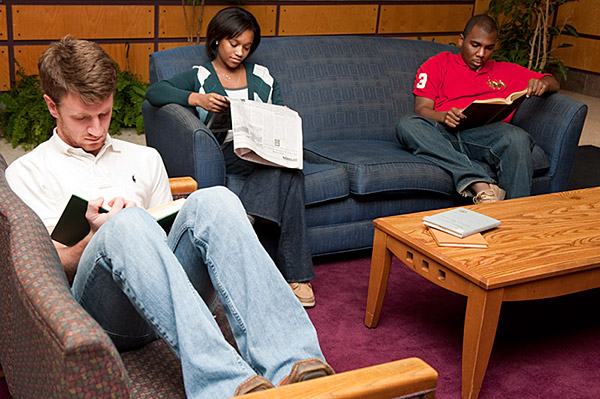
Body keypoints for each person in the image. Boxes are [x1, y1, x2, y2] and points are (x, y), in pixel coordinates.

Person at [5, 35, 333, 399]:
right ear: (52, 106)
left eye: (105, 114)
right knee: (125, 223)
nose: (97, 130)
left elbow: (170, 236)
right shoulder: (28, 172)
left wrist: (146, 226)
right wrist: (96, 236)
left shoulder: (144, 159)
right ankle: (224, 385)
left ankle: (296, 365)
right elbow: (41, 276)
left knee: (216, 200)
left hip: (163, 299)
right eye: (82, 118)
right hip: (101, 313)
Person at [145, 7, 316, 307]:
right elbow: (156, 92)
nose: (240, 52)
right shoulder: (201, 76)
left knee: (289, 169)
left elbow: (277, 111)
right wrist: (196, 99)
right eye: (233, 44)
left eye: (247, 47)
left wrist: (283, 117)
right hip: (227, 151)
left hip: (265, 150)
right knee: (289, 174)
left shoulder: (262, 76)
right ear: (216, 41)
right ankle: (296, 277)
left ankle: (250, 224)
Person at [395, 14, 560, 203]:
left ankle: (517, 218)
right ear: (461, 40)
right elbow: (421, 109)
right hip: (443, 134)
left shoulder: (506, 71)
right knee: (407, 124)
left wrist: (543, 84)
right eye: (475, 45)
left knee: (517, 136)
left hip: (484, 137)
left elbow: (552, 81)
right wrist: (443, 116)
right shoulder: (437, 64)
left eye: (488, 48)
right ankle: (480, 184)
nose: (481, 54)